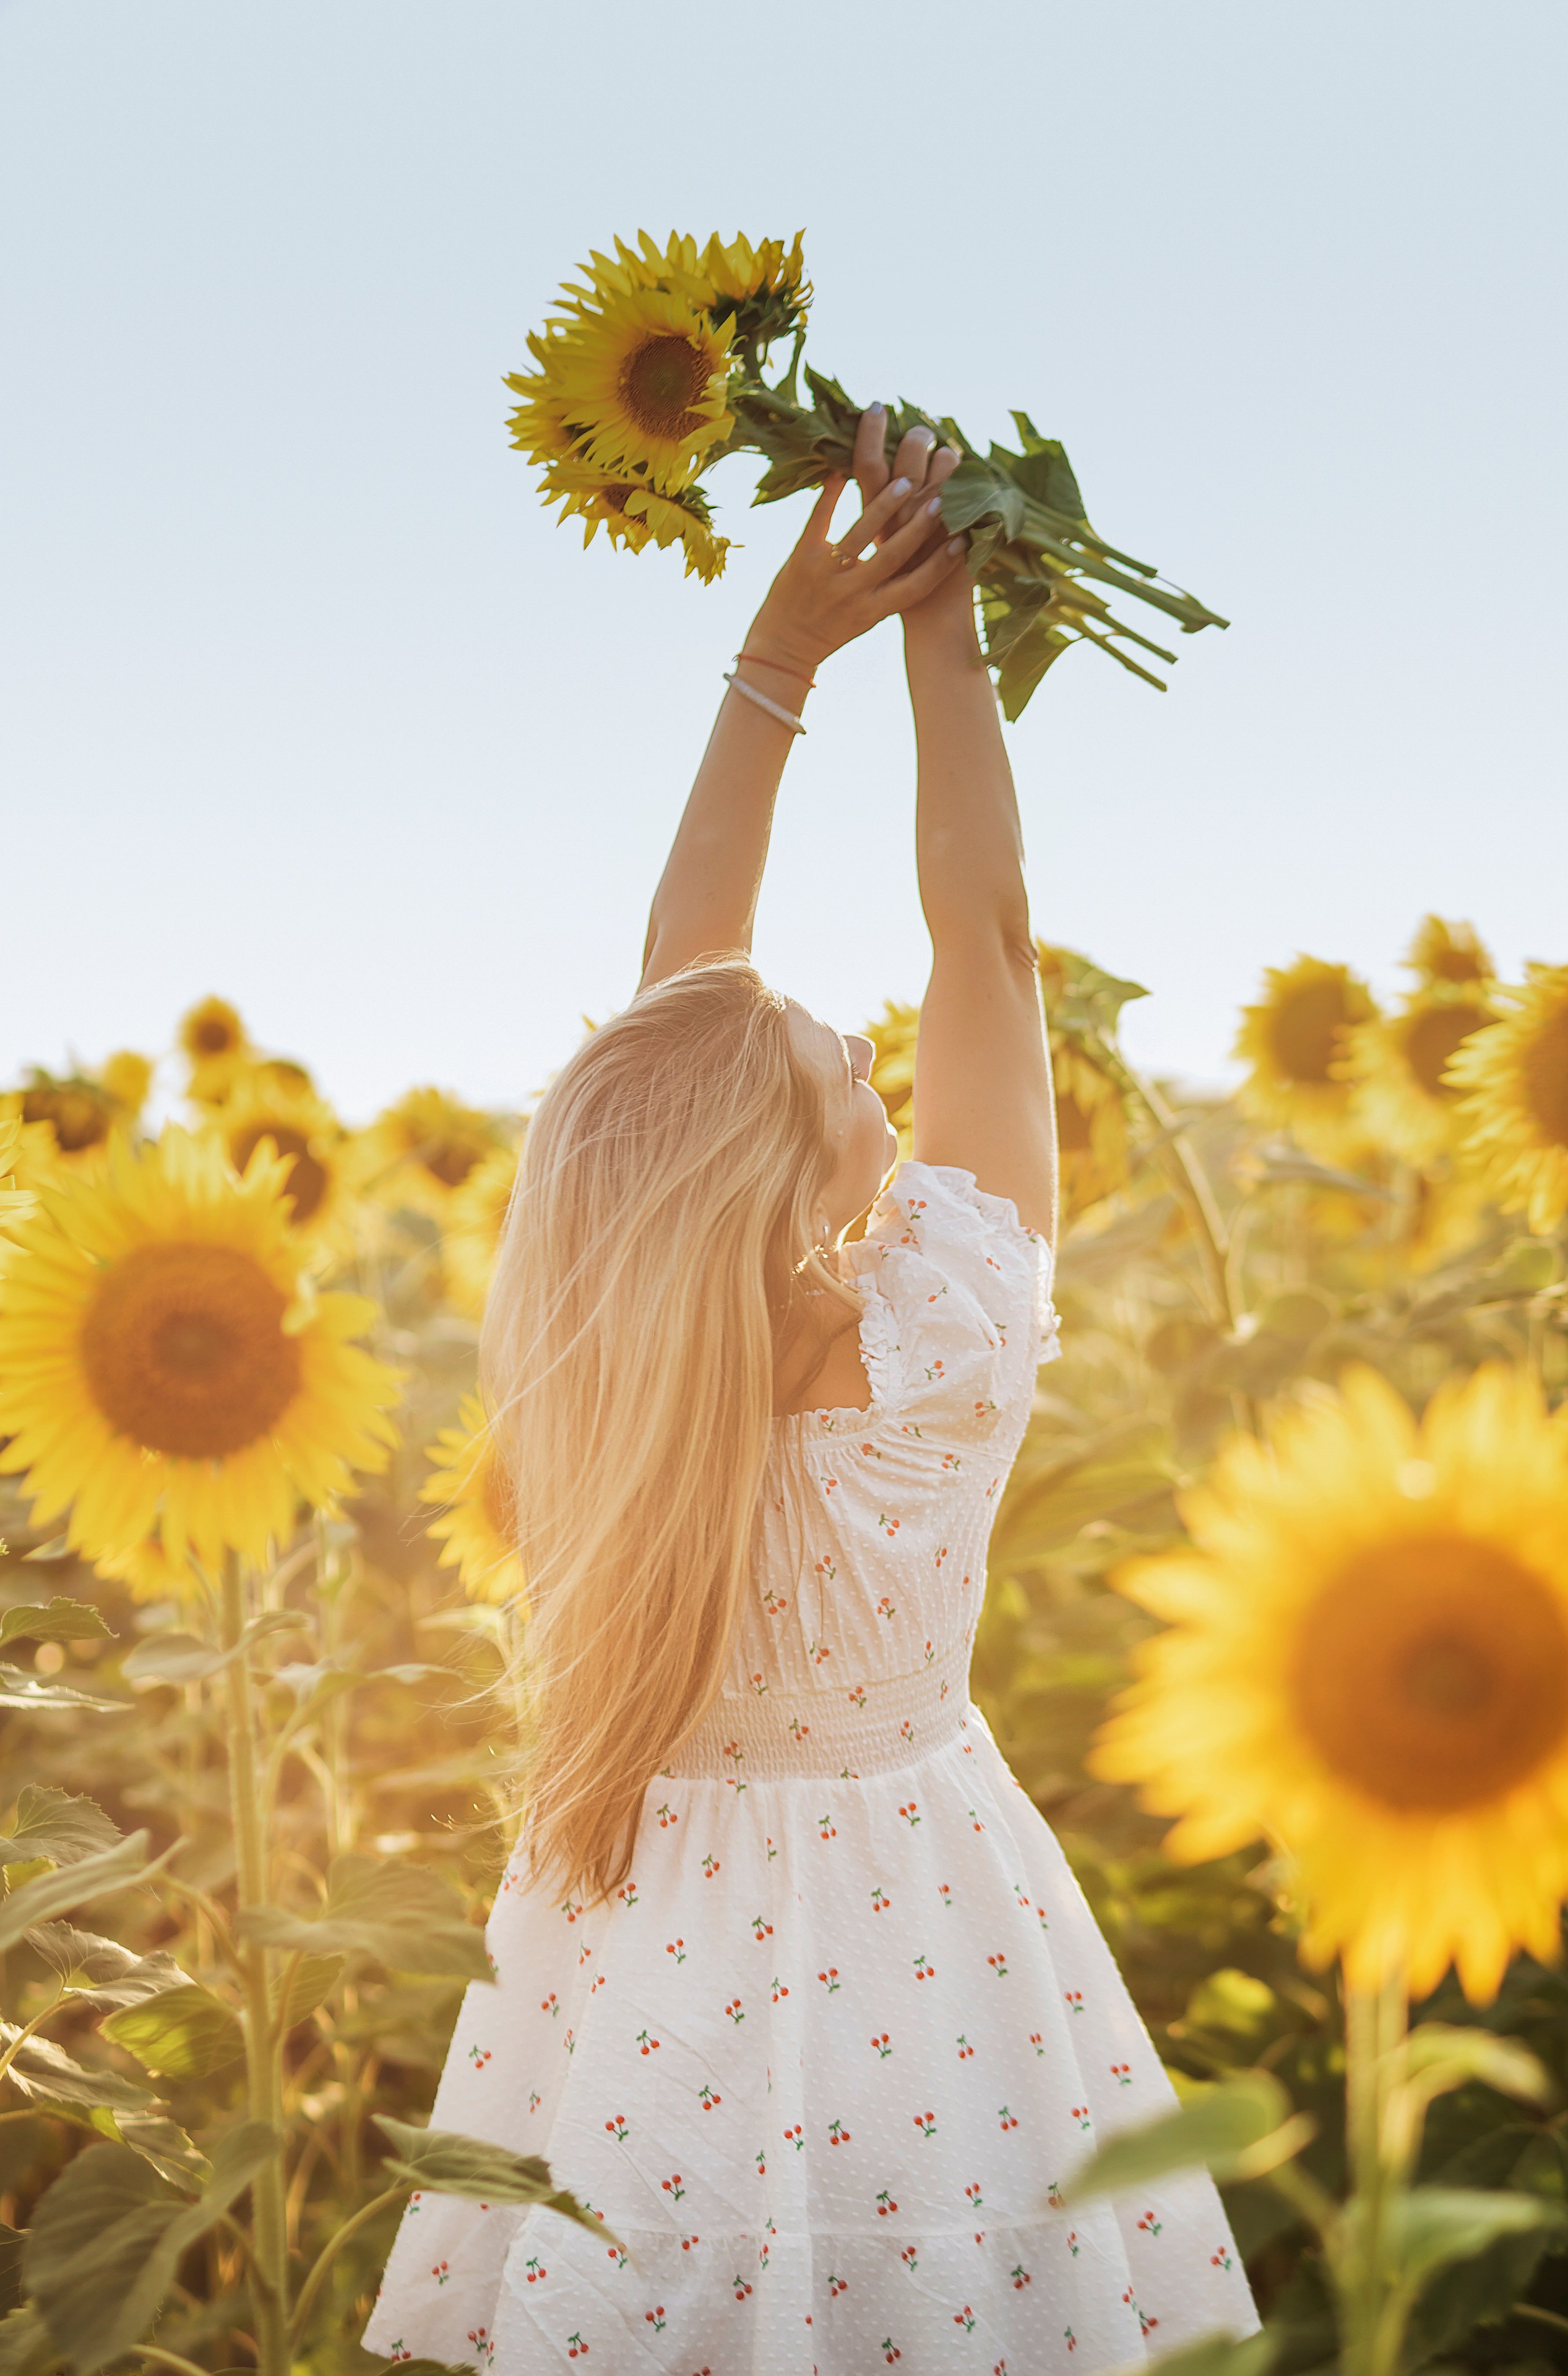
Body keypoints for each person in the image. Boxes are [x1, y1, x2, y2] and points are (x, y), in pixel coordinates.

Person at [366, 408, 1258, 2370]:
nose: (874, 1050)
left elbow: (673, 1045)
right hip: (923, 1957)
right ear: (786, 1179)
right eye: (849, 1063)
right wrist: (944, 632)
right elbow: (987, 946)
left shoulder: (606, 1364)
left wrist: (779, 664)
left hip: (646, 1971)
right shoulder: (930, 1363)